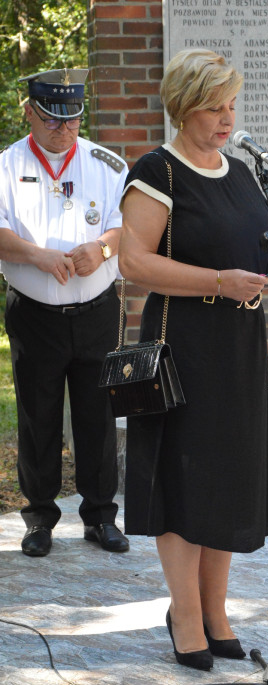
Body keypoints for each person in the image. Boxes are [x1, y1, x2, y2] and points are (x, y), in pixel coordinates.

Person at [119, 49, 268, 670]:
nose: (227, 117)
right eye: (214, 106)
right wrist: (216, 282)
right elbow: (133, 263)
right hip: (183, 345)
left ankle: (216, 610)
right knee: (185, 477)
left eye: (232, 104)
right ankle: (184, 614)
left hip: (239, 348)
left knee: (227, 475)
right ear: (183, 107)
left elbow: (255, 250)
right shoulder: (158, 171)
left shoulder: (242, 171)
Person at [0, 68, 129, 557]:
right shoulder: (6, 166)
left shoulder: (107, 164)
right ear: (29, 111)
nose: (65, 129)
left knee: (99, 415)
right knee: (39, 417)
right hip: (35, 313)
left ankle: (100, 516)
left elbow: (127, 227)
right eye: (53, 119)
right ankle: (39, 518)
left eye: (73, 118)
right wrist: (38, 255)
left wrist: (101, 247)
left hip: (96, 309)